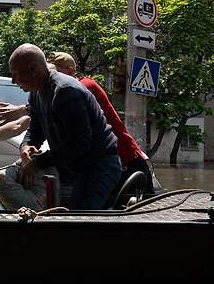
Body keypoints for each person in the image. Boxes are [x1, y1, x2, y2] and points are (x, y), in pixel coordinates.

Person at [10, 44, 121, 210]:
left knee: (78, 221)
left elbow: (80, 143)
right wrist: (26, 147)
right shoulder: (36, 93)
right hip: (77, 167)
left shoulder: (65, 91)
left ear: (33, 68)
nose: (13, 81)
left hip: (99, 165)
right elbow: (35, 131)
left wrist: (38, 162)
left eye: (15, 75)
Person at [46, 51, 161, 195]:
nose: (51, 77)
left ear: (71, 70)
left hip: (125, 159)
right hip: (109, 160)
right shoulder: (66, 89)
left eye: (56, 72)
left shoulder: (83, 86)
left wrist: (26, 110)